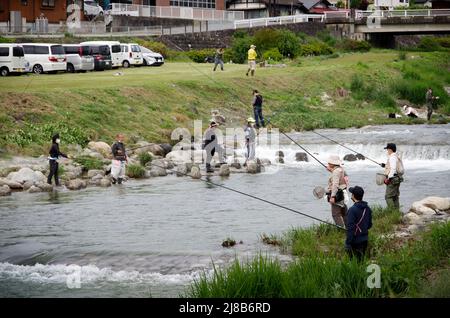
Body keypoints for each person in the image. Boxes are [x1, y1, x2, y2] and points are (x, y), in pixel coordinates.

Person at [345, 186, 373, 261]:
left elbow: (350, 229)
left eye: (352, 194)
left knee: (354, 263)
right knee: (361, 261)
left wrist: (348, 243)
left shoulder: (352, 210)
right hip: (365, 240)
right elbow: (370, 225)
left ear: (353, 196)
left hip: (355, 241)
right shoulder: (367, 208)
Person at [326, 155, 348, 228]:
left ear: (333, 163)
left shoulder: (336, 172)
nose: (328, 163)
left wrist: (332, 196)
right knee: (344, 212)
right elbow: (343, 177)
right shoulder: (341, 169)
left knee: (335, 214)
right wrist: (332, 170)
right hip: (343, 193)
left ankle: (341, 229)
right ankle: (349, 227)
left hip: (337, 195)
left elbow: (335, 185)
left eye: (329, 162)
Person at [380, 143, 404, 209]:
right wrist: (384, 165)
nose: (387, 151)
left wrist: (388, 178)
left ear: (390, 149)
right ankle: (396, 212)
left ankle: (391, 211)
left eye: (387, 149)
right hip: (397, 178)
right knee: (395, 196)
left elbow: (393, 169)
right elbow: (394, 167)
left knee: (388, 197)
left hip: (393, 179)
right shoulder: (396, 156)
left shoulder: (392, 157)